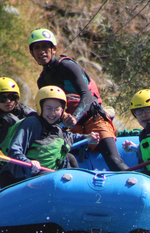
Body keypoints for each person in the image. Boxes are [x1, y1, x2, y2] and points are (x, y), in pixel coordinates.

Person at [28, 28, 129, 171]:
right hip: (70, 129)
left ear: (54, 49)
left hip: (93, 119)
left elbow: (87, 95)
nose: (41, 51)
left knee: (114, 160)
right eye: (36, 48)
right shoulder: (42, 81)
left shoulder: (67, 66)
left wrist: (75, 117)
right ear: (32, 53)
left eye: (45, 46)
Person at [0, 86, 99, 188]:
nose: (53, 113)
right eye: (48, 108)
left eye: (57, 109)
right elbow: (14, 150)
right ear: (40, 108)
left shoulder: (57, 128)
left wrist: (88, 138)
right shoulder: (32, 123)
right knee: (52, 177)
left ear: (63, 110)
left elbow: (70, 137)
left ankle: (77, 189)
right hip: (23, 178)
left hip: (45, 176)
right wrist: (28, 162)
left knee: (70, 158)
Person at [0, 77, 36, 182]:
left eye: (12, 97)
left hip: (23, 169)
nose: (8, 101)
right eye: (2, 98)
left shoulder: (30, 118)